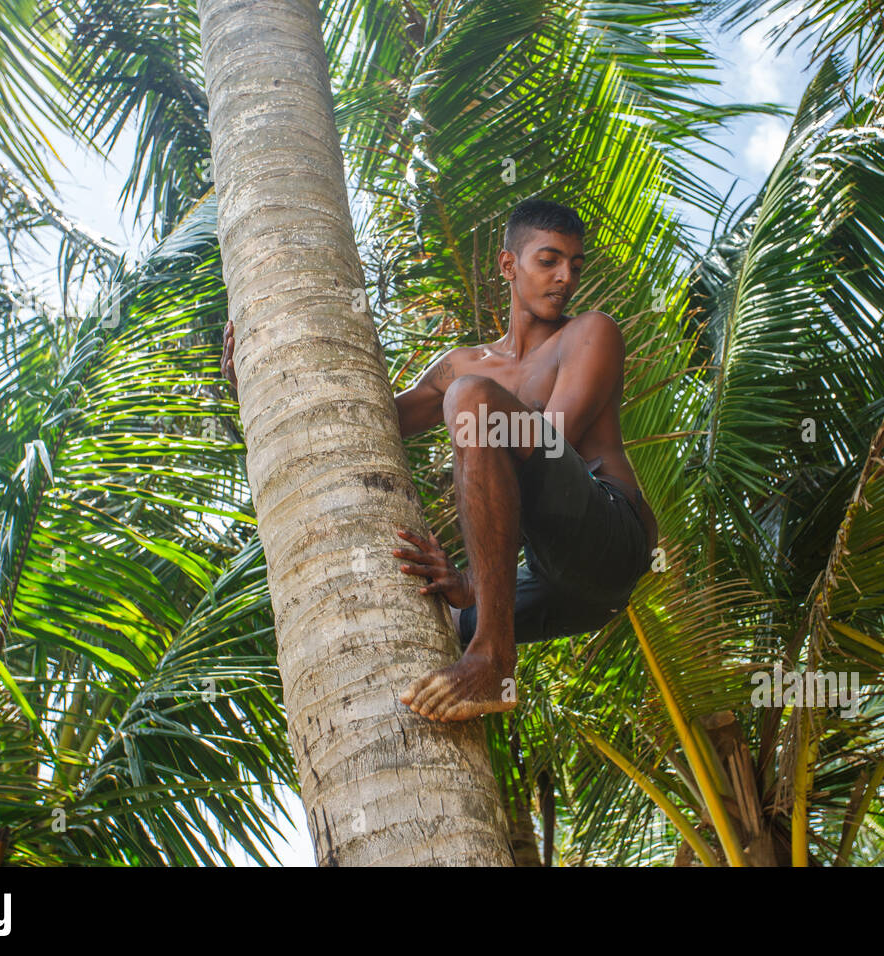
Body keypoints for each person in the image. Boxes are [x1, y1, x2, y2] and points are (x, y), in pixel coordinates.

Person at [221, 199, 657, 723]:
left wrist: (476, 577)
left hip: (611, 539)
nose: (565, 277)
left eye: (575, 266)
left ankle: (494, 660)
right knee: (433, 623)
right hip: (562, 589)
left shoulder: (589, 332)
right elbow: (366, 423)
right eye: (549, 261)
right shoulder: (460, 364)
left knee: (473, 399)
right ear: (507, 265)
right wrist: (259, 379)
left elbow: (548, 446)